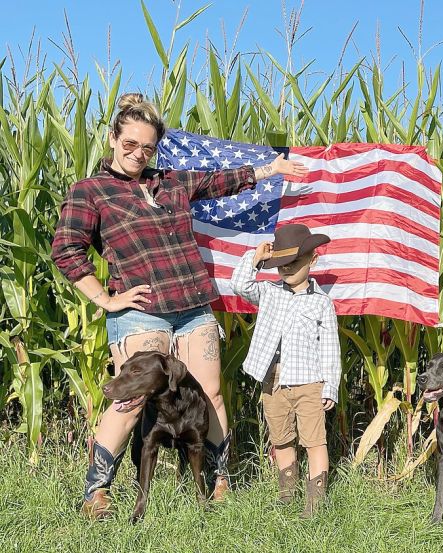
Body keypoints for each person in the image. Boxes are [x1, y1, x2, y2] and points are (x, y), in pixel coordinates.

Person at [51, 92, 309, 519]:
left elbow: (221, 180)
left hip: (192, 306)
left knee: (210, 395)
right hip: (140, 311)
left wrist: (271, 168)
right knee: (130, 402)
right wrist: (105, 298)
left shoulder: (170, 181)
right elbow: (66, 250)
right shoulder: (91, 191)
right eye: (129, 144)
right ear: (113, 138)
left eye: (147, 147)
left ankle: (218, 481)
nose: (138, 154)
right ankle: (96, 493)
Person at [230, 223, 341, 518]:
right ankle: (286, 495)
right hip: (273, 381)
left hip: (309, 384)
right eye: (281, 265)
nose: (286, 270)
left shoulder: (321, 303)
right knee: (281, 439)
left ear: (312, 260)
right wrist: (255, 258)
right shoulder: (269, 293)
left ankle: (315, 504)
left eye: (294, 264)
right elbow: (240, 285)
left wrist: (330, 386)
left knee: (314, 441)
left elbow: (330, 349)